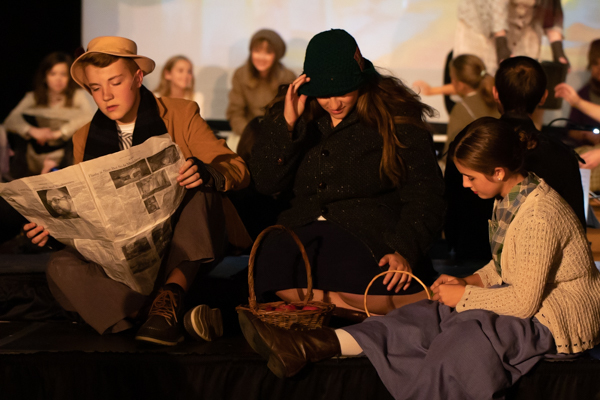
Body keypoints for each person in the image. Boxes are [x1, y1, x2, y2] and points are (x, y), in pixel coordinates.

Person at [238, 117, 600, 400]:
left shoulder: (538, 215)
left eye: (469, 177)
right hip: (527, 303)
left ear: (499, 172)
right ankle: (309, 345)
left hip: (553, 317)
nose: (464, 185)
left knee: (466, 334)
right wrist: (468, 282)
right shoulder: (511, 198)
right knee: (423, 313)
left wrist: (466, 298)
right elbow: (506, 265)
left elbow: (523, 302)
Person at [24, 36, 251, 345]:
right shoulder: (84, 137)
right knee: (59, 266)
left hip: (182, 240)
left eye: (115, 82)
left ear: (137, 78)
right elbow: (86, 210)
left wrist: (207, 171)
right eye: (95, 88)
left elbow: (235, 167)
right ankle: (158, 314)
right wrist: (54, 231)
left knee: (199, 190)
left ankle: (168, 297)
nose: (106, 96)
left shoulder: (180, 114)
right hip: (125, 256)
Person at [249, 29, 445, 317]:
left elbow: (426, 192)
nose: (334, 103)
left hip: (369, 233)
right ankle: (352, 312)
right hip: (303, 231)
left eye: (342, 91)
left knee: (368, 286)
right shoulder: (295, 113)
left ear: (361, 82)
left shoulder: (395, 118)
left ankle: (345, 310)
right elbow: (266, 183)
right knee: (272, 267)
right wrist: (288, 126)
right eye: (324, 94)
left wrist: (405, 249)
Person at [445, 56, 585, 263]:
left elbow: (450, 204)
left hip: (472, 257)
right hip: (543, 263)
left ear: (495, 93)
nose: (468, 183)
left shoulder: (468, 142)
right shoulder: (561, 153)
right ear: (544, 97)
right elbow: (575, 225)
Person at [4, 52, 95, 175]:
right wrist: (32, 131)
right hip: (35, 155)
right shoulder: (34, 97)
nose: (58, 79)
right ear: (45, 76)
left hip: (66, 155)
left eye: (63, 74)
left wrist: (59, 133)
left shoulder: (77, 96)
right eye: (53, 74)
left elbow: (89, 117)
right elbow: (10, 120)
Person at [226, 29, 296, 151]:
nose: (261, 57)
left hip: (278, 136)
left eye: (268, 52)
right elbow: (235, 113)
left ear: (276, 55)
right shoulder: (240, 74)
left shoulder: (288, 77)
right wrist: (250, 134)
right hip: (247, 132)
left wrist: (272, 136)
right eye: (257, 51)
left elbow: (290, 114)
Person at [442, 54, 500, 163]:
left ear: (460, 84)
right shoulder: (497, 101)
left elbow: (450, 153)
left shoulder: (461, 109)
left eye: (452, 79)